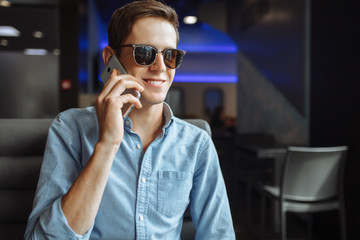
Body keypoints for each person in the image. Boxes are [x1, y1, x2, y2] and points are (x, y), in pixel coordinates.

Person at [25, 0, 235, 239]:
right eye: (144, 53)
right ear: (111, 59)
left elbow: (219, 234)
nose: (159, 67)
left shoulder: (197, 144)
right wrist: (107, 145)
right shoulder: (71, 129)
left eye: (170, 55)